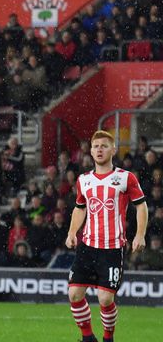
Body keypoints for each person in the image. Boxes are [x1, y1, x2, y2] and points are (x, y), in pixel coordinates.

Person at [66, 130, 148, 342]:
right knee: (74, 294)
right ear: (91, 152)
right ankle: (87, 338)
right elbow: (80, 208)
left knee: (105, 298)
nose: (99, 150)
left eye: (104, 146)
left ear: (113, 150)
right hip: (87, 246)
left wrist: (140, 235)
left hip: (112, 248)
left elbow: (141, 207)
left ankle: (108, 337)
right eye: (95, 146)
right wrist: (71, 232)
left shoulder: (125, 177)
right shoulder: (84, 180)